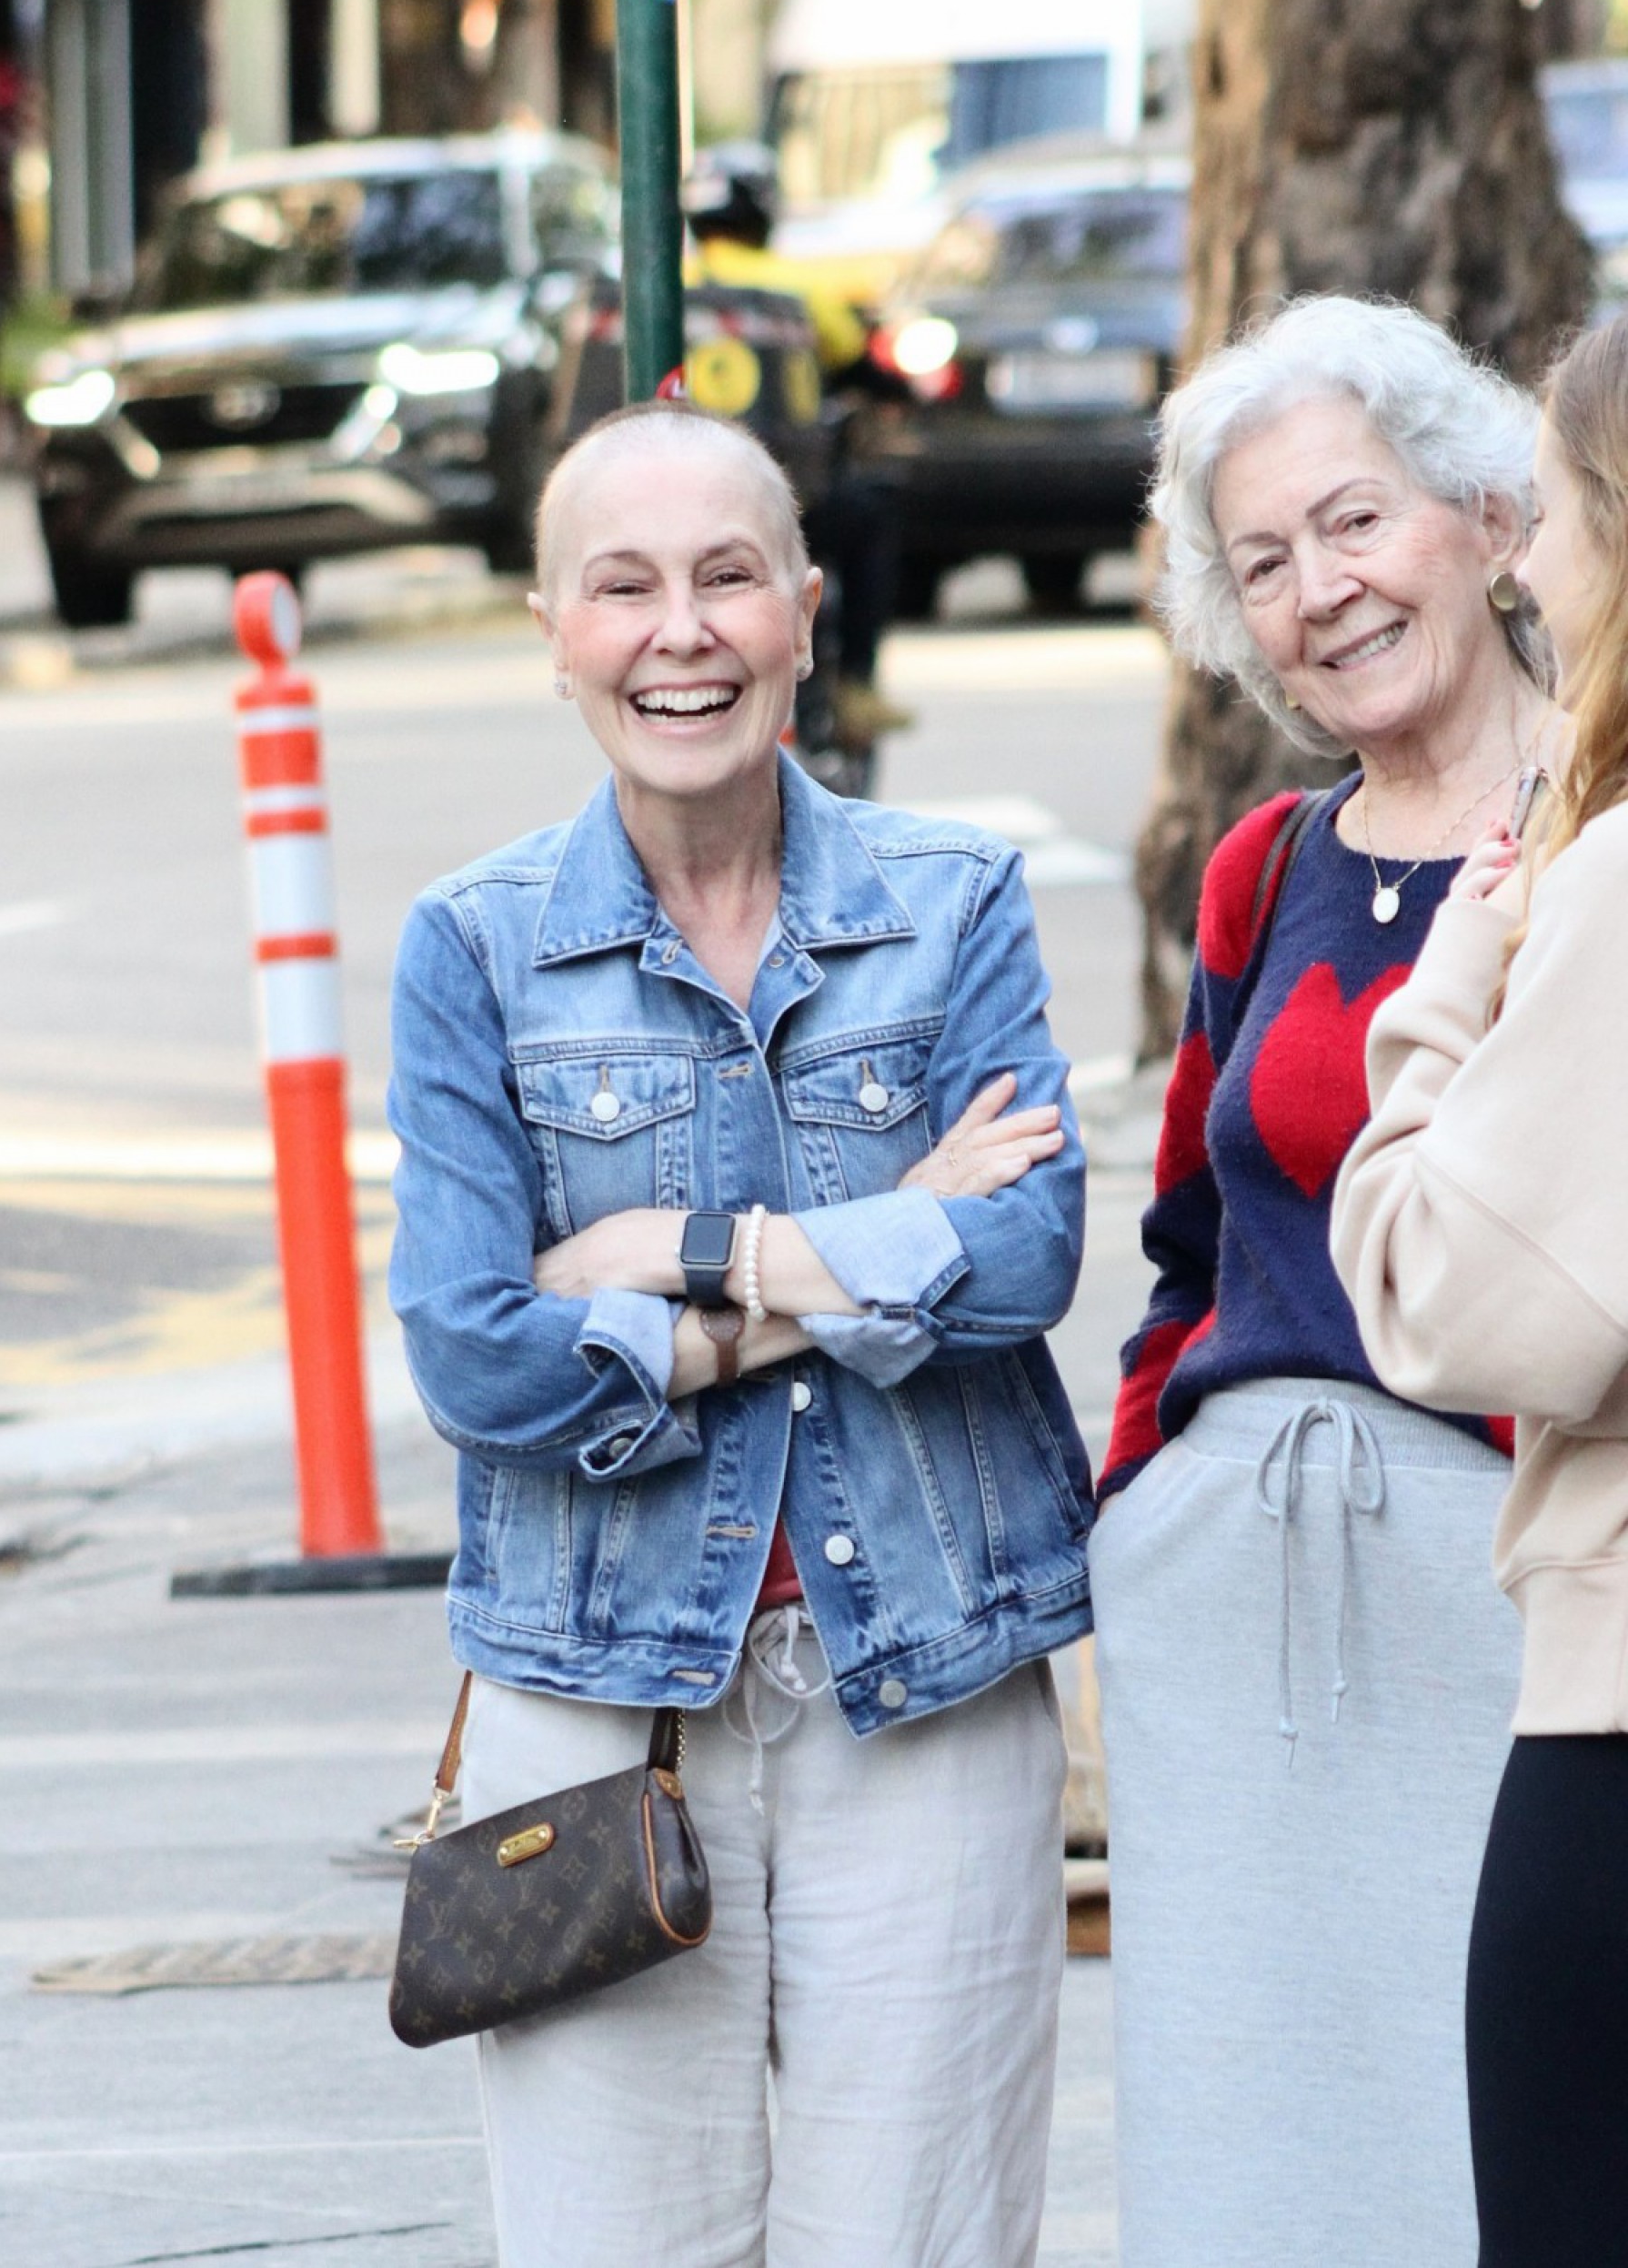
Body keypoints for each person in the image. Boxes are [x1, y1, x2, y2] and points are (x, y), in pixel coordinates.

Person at [387, 398, 1093, 2268]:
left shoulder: (956, 904)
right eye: (623, 586)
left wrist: (656, 1253)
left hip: (927, 1689)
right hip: (596, 1708)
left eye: (725, 579)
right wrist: (850, 1261)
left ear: (802, 609)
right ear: (552, 628)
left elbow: (1021, 1258)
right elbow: (473, 1358)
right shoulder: (471, 947)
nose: (678, 632)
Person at [1091, 296, 1558, 2268]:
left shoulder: (1599, 838)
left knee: (1508, 2153)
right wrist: (1130, 1527)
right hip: (1229, 1633)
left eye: (1353, 524)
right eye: (1263, 563)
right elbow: (1190, 1254)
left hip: (1522, 1610)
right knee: (1250, 2174)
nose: (1320, 592)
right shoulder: (1265, 871)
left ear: (1484, 513)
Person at [1332, 311, 1628, 2268]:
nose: (1522, 553)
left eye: (1554, 502)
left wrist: (1464, 960)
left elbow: (1457, 1294)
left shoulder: (1602, 886)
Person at [683, 140, 912, 751]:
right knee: (873, 515)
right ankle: (856, 685)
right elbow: (860, 365)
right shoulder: (799, 289)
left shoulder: (660, 287)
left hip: (680, 508)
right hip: (792, 504)